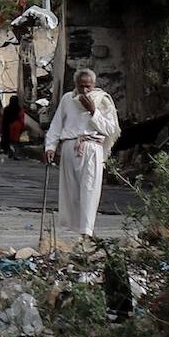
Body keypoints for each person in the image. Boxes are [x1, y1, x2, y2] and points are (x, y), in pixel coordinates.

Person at [44, 69, 121, 240]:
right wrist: (50, 146)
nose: (85, 91)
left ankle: (87, 230)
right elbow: (56, 125)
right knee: (71, 190)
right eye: (81, 87)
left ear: (93, 85)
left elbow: (111, 129)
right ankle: (73, 228)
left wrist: (94, 111)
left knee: (90, 188)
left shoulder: (103, 101)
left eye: (88, 86)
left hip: (92, 147)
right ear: (76, 85)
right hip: (70, 147)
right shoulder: (67, 99)